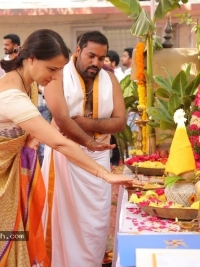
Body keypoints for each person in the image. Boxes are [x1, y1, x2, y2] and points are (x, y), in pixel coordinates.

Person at [0, 29, 136, 266]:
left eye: (59, 70)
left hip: (0, 177)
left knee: (6, 242)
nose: (55, 77)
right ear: (31, 59)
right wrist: (104, 173)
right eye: (52, 69)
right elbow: (58, 140)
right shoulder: (11, 95)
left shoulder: (28, 84)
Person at [41, 30, 127, 267]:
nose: (96, 63)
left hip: (99, 158)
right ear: (78, 50)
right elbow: (62, 120)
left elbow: (119, 121)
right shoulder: (56, 75)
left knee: (95, 220)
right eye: (91, 55)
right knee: (65, 220)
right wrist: (90, 140)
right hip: (64, 157)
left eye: (101, 58)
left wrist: (86, 123)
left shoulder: (110, 79)